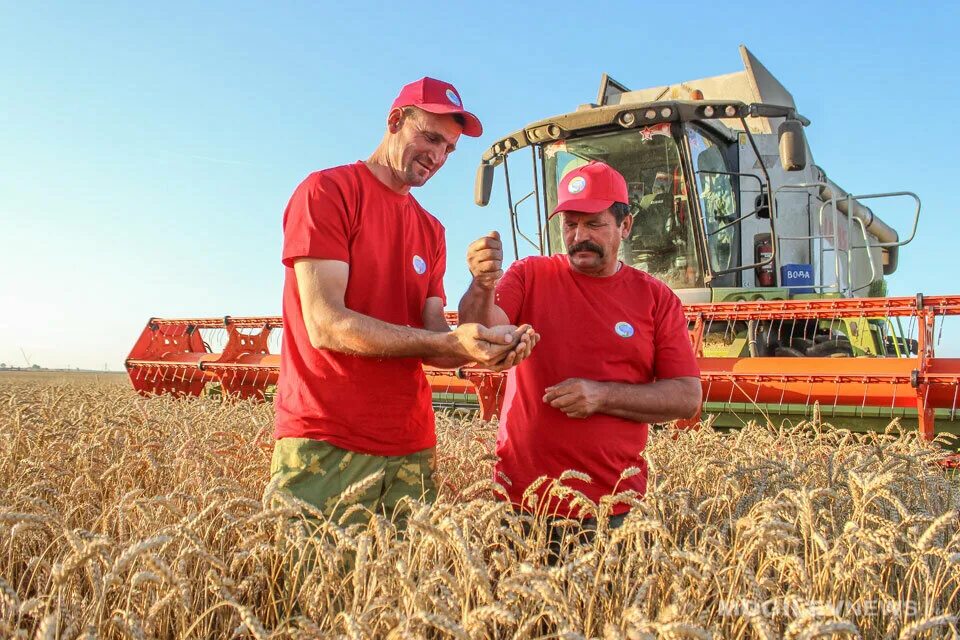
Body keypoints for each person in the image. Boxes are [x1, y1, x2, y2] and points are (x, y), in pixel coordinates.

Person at [270, 77, 537, 523]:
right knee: (316, 589)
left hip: (412, 446)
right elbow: (326, 323)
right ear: (395, 120)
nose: (438, 156)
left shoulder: (431, 230)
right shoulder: (328, 193)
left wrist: (485, 319)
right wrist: (451, 345)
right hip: (326, 439)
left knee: (403, 591)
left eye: (449, 149)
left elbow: (435, 337)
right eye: (430, 137)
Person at [458, 160, 701, 527]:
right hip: (520, 499)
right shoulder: (530, 275)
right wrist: (482, 284)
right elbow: (485, 332)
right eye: (570, 224)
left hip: (612, 506)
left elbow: (686, 396)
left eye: (593, 224)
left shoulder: (656, 299)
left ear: (625, 225)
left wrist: (601, 396)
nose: (578, 236)